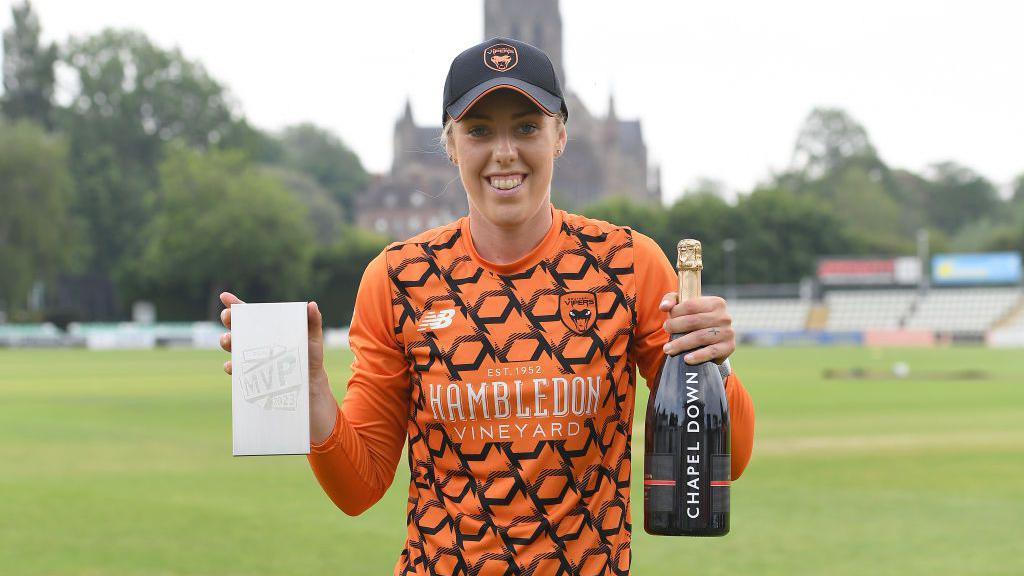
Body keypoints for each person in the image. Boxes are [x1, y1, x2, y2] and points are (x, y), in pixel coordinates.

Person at [218, 37, 754, 575]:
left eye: (526, 127)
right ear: (450, 145)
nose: (504, 152)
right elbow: (358, 488)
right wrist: (313, 395)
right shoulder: (398, 278)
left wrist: (714, 363)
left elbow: (721, 467)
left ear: (560, 137)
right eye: (478, 131)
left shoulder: (629, 263)